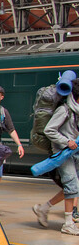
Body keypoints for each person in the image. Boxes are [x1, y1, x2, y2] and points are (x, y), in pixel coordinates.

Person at [41, 78, 79, 235]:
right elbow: (49, 130)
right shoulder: (65, 110)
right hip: (62, 153)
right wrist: (67, 141)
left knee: (74, 187)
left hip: (74, 152)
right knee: (72, 185)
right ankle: (68, 224)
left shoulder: (76, 110)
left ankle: (43, 207)